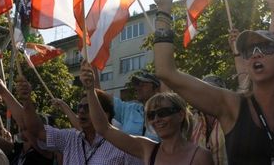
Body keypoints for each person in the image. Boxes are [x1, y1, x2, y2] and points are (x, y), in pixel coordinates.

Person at [151, 0, 274, 164]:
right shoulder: (230, 105)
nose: (256, 55)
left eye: (265, 48)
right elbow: (166, 71)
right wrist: (164, 10)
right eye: (248, 51)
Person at [81, 60, 214, 165]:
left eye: (163, 113)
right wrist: (90, 88)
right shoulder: (148, 150)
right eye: (150, 115)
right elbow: (103, 128)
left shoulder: (201, 157)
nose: (156, 119)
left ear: (180, 115)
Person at [17, 76, 136, 165]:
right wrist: (27, 100)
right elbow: (37, 131)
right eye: (79, 107)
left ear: (105, 114)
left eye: (87, 107)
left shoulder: (122, 146)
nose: (81, 111)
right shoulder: (70, 138)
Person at [190, 75, 228, 165]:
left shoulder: (230, 117)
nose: (208, 95)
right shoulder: (193, 119)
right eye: (204, 91)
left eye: (213, 91)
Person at [113, 70, 160, 141]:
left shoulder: (167, 114)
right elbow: (102, 98)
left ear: (156, 89)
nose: (138, 88)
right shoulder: (129, 110)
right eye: (137, 85)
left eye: (143, 85)